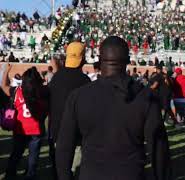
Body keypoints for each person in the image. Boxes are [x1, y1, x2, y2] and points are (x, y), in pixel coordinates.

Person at [55, 36, 171, 180]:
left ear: (99, 59)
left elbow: (64, 147)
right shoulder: (145, 97)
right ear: (128, 60)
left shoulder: (79, 96)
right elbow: (159, 151)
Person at [48, 42, 91, 178]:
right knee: (75, 172)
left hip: (57, 133)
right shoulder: (85, 81)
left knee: (60, 173)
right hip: (77, 135)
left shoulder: (56, 78)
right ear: (83, 58)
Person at [2, 65, 49, 180]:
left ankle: (10, 173)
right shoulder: (41, 91)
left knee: (16, 153)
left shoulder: (17, 91)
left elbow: (4, 86)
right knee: (33, 156)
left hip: (20, 128)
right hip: (36, 129)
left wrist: (6, 70)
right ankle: (30, 175)